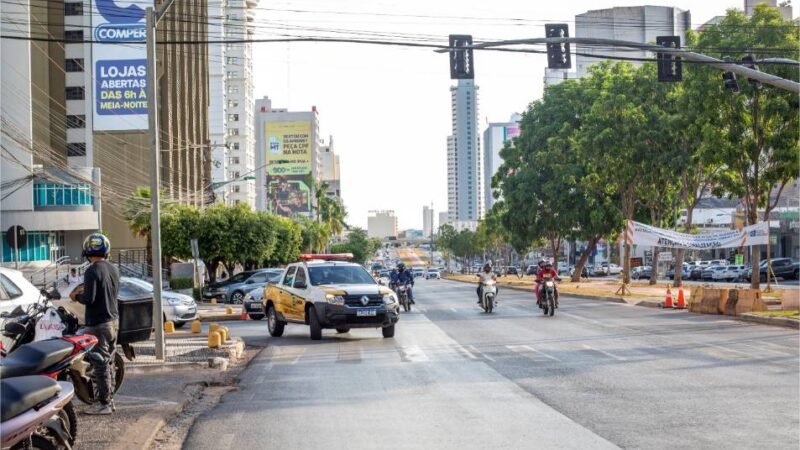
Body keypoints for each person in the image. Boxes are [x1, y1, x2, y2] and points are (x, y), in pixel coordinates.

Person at [69, 233, 120, 415]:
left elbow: (89, 299)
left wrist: (76, 296)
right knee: (109, 361)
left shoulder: (91, 270)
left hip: (98, 323)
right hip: (113, 321)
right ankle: (110, 400)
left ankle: (105, 404)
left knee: (100, 364)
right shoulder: (113, 269)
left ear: (88, 250)